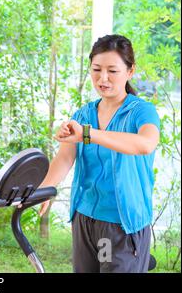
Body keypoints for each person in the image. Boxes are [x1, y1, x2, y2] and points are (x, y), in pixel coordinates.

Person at [38, 34, 160, 273]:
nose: (103, 78)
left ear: (130, 71)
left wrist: (88, 134)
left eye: (112, 71)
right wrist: (44, 190)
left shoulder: (141, 112)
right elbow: (65, 157)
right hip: (86, 220)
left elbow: (146, 143)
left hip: (122, 226)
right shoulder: (84, 114)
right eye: (96, 69)